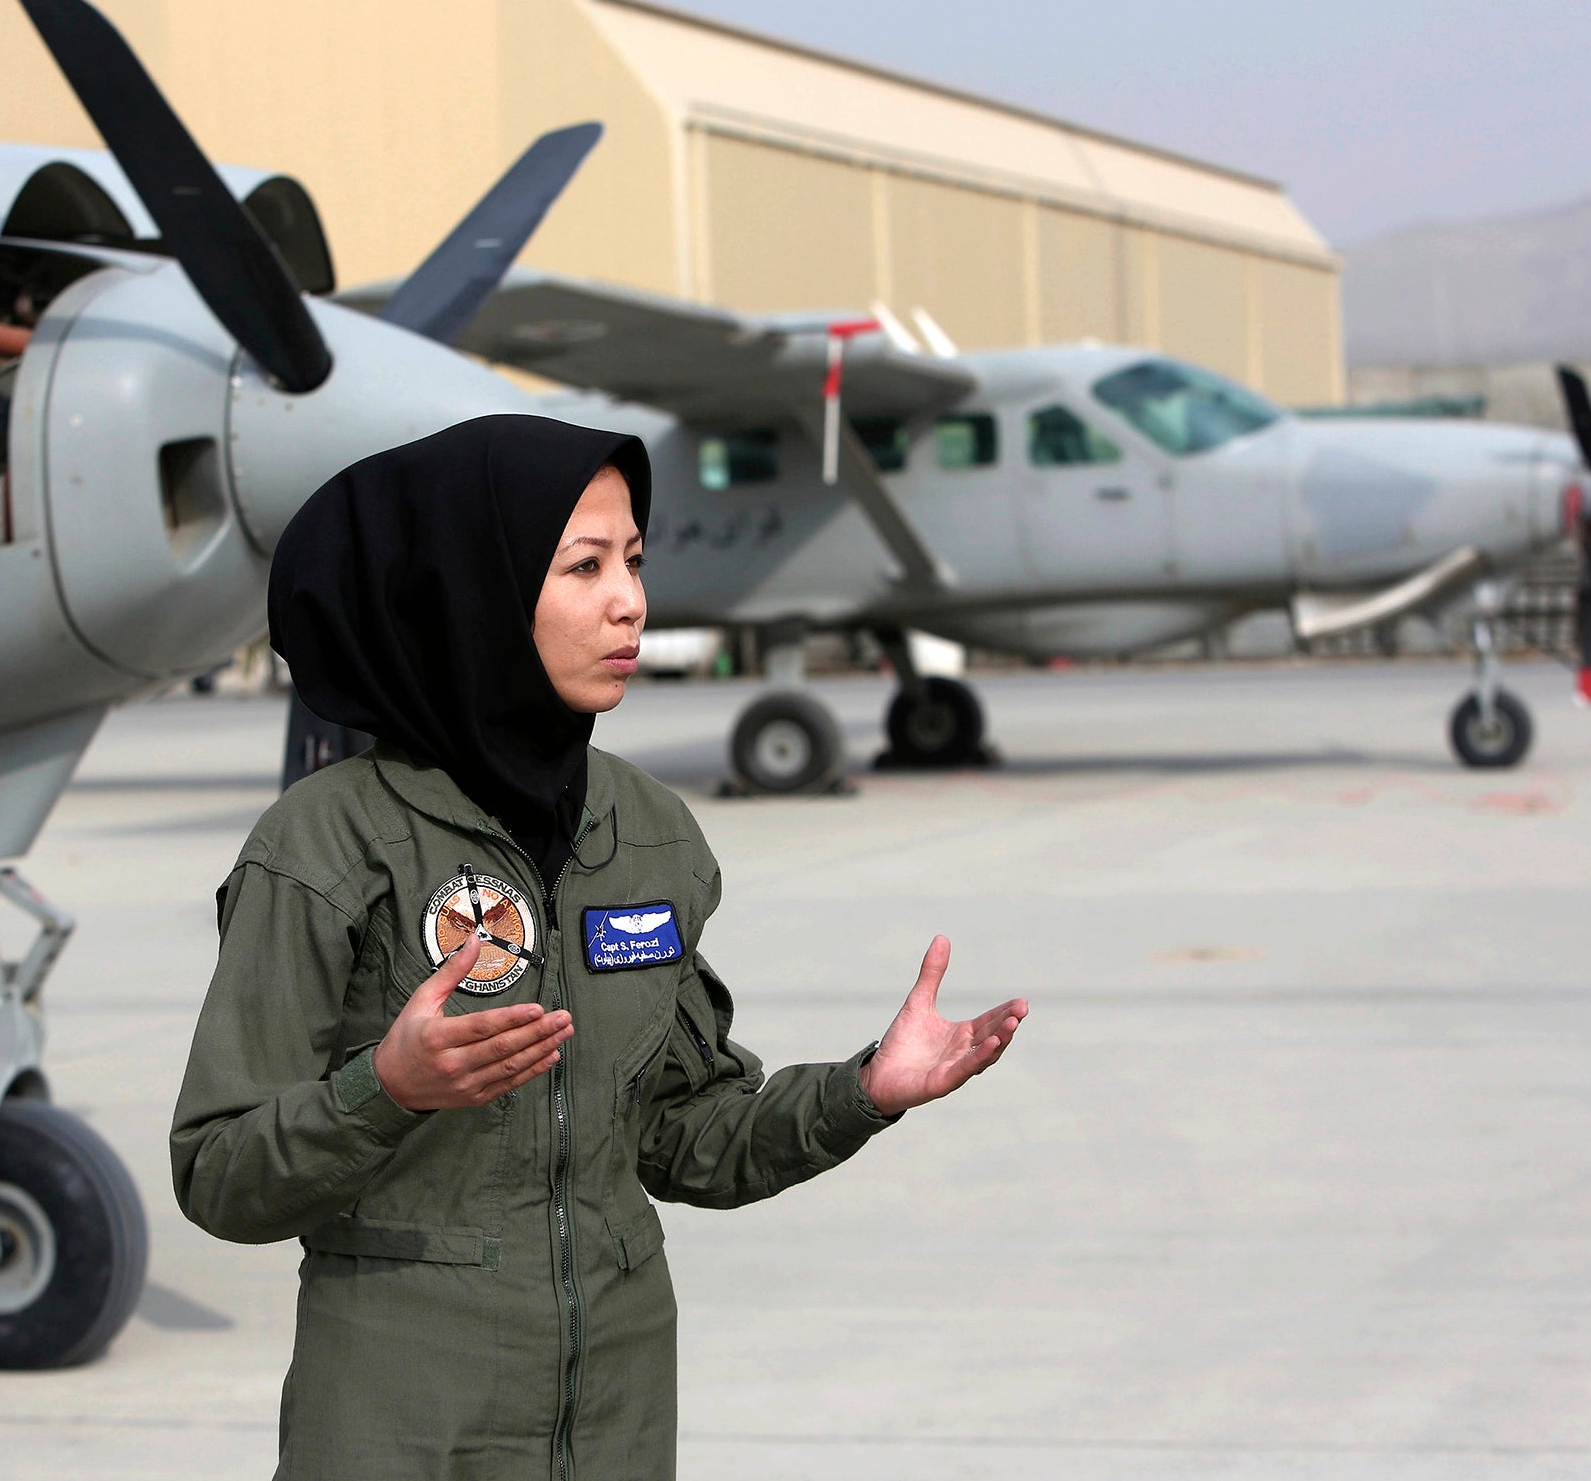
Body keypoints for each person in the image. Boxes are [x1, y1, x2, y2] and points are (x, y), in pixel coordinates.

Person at [171, 414, 1027, 1480]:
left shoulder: (650, 834)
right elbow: (218, 1176)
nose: (629, 601)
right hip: (404, 1414)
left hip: (616, 1412)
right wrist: (384, 1089)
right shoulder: (325, 845)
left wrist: (865, 1092)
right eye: (583, 566)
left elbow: (681, 1136)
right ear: (473, 592)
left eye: (632, 561)